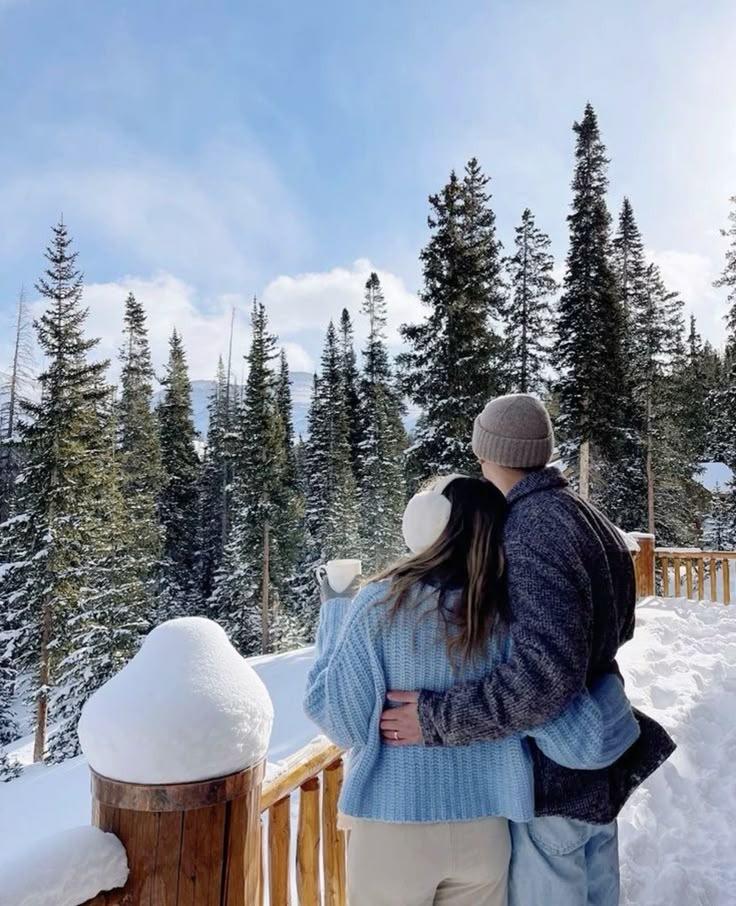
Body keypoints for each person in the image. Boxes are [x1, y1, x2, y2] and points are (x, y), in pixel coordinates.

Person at [379, 394, 676, 905]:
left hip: (555, 777)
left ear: (491, 453)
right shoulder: (585, 514)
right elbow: (617, 628)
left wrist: (436, 718)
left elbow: (542, 677)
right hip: (597, 757)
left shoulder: (531, 528)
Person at [304, 474, 641, 906]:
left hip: (395, 826)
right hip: (486, 832)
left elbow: (343, 722)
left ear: (428, 524)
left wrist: (335, 609)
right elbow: (533, 697)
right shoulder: (503, 613)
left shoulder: (379, 605)